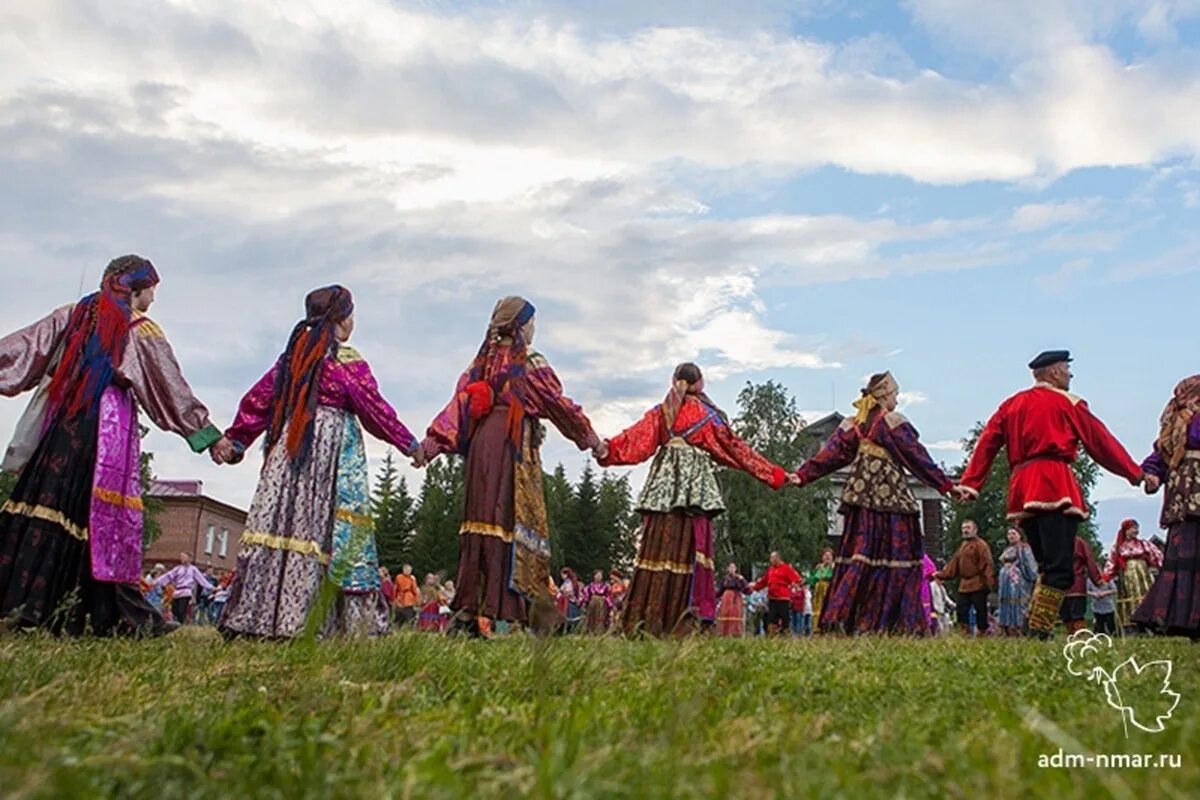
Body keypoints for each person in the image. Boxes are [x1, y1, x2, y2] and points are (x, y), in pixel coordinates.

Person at [0, 256, 227, 636]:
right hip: (106, 429)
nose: (153, 298)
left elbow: (24, 348)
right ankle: (108, 615)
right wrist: (208, 437)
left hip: (64, 423)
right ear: (136, 288)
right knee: (100, 521)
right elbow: (168, 388)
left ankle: (30, 607)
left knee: (52, 506)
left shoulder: (74, 314)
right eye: (152, 289)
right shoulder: (138, 330)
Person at [217, 286, 421, 639]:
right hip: (330, 452)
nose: (353, 323)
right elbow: (374, 408)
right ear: (341, 320)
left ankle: (261, 618)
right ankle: (318, 623)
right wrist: (410, 444)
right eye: (351, 316)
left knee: (283, 526)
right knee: (322, 531)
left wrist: (236, 441)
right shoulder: (346, 361)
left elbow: (261, 399)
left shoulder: (294, 357)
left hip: (292, 449)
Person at [421, 297, 600, 637]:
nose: (534, 329)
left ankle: (468, 615)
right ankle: (530, 617)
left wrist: (429, 446)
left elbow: (457, 406)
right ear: (520, 325)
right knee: (517, 523)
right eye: (532, 322)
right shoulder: (530, 361)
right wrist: (591, 440)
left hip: (481, 449)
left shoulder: (480, 364)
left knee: (482, 524)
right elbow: (558, 405)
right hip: (511, 447)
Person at [955, 351, 1144, 638]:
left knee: (1046, 564)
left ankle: (1036, 629)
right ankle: (1037, 630)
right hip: (1053, 483)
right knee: (1059, 568)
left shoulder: (1011, 404)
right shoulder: (1068, 402)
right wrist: (1135, 472)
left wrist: (972, 482)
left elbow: (987, 441)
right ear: (1054, 372)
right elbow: (1100, 441)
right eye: (1067, 369)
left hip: (1022, 488)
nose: (1070, 375)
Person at [597, 363, 786, 636]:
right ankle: (685, 621)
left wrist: (606, 450)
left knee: (656, 546)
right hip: (694, 489)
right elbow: (738, 451)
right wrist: (775, 475)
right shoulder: (708, 417)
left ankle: (644, 619)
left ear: (675, 381)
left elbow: (634, 440)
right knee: (691, 548)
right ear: (701, 384)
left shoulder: (662, 413)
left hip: (664, 487)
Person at [793, 372, 955, 635]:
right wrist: (946, 485)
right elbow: (917, 458)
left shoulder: (853, 424)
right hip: (891, 499)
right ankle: (895, 623)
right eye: (895, 395)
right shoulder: (892, 422)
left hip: (861, 498)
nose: (897, 400)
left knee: (860, 557)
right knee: (896, 557)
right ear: (883, 396)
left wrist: (802, 475)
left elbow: (829, 456)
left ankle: (854, 621)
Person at [1136, 375, 1200, 638]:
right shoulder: (1175, 421)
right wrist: (1150, 475)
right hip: (1183, 496)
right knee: (1182, 552)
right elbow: (1160, 454)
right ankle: (1170, 618)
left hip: (1185, 493)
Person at [935, 521, 996, 636]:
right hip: (964, 584)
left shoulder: (981, 545)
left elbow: (987, 564)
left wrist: (990, 582)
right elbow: (954, 564)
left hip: (979, 582)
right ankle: (965, 633)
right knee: (961, 610)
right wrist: (941, 574)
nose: (965, 530)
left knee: (980, 610)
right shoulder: (963, 546)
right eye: (963, 528)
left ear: (975, 530)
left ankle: (981, 634)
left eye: (968, 527)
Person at [1104, 520, 1163, 630]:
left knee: (1145, 594)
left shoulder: (1143, 544)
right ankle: (1130, 623)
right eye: (1133, 528)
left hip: (1142, 573)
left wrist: (1162, 567)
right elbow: (1111, 561)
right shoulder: (1118, 547)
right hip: (1127, 574)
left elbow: (1157, 554)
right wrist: (1106, 577)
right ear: (1126, 530)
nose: (1136, 531)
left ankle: (1148, 621)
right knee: (1130, 595)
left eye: (1137, 528)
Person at [997, 527, 1039, 636]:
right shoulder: (1007, 549)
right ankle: (1005, 627)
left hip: (1017, 582)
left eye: (1014, 533)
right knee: (1005, 602)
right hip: (1005, 580)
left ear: (1020, 535)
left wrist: (1033, 578)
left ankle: (1018, 627)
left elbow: (1030, 565)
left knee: (1017, 603)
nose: (1011, 536)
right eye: (1009, 534)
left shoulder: (1024, 548)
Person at [154, 552, 216, 624]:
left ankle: (181, 624)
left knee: (181, 611)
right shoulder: (178, 568)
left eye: (183, 557)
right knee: (174, 610)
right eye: (181, 557)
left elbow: (201, 580)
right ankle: (176, 623)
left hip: (186, 592)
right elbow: (168, 576)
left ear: (189, 559)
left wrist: (212, 588)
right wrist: (156, 582)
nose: (181, 559)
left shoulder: (193, 569)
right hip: (177, 592)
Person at [750, 552, 802, 637]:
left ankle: (786, 635)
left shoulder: (786, 568)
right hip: (772, 598)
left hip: (783, 598)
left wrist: (797, 584)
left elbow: (797, 579)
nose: (771, 560)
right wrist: (754, 587)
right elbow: (764, 581)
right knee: (772, 618)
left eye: (772, 558)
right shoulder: (771, 569)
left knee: (785, 618)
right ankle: (772, 636)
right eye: (770, 558)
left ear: (778, 558)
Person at [1061, 537, 1102, 634]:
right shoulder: (1053, 541)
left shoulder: (1078, 542)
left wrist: (1096, 579)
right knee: (1066, 615)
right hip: (1060, 586)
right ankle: (1072, 638)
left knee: (1076, 614)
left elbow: (1089, 561)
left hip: (1075, 584)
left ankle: (1079, 638)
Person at [715, 563, 750, 637]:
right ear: (728, 569)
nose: (731, 569)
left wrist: (742, 580)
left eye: (733, 567)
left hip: (736, 598)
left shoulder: (739, 578)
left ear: (735, 569)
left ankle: (735, 632)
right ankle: (724, 632)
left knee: (735, 613)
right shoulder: (725, 579)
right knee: (725, 613)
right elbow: (720, 590)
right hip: (726, 598)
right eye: (730, 567)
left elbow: (747, 589)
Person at [807, 549, 835, 628]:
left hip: (828, 590)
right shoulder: (819, 567)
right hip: (818, 590)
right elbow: (813, 579)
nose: (827, 557)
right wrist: (805, 582)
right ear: (822, 557)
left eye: (829, 556)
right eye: (826, 555)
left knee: (828, 608)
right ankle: (817, 628)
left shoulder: (834, 567)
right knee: (817, 608)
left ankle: (828, 627)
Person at [582, 570, 613, 634]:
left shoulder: (606, 586)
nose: (599, 577)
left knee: (600, 616)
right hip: (593, 602)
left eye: (600, 576)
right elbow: (586, 595)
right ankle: (590, 630)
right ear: (594, 576)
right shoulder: (590, 586)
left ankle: (599, 631)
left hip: (601, 603)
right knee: (592, 616)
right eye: (597, 575)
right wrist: (586, 602)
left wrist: (608, 602)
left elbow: (609, 595)